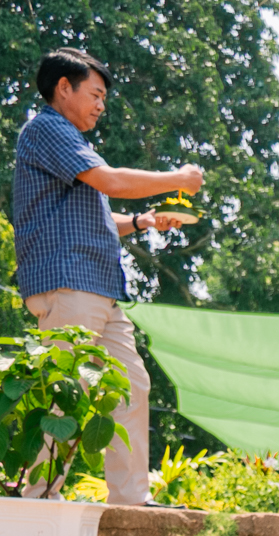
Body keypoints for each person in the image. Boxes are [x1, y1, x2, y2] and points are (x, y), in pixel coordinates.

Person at [11, 48, 204, 506]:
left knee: (131, 386)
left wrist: (141, 221)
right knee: (64, 393)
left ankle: (132, 501)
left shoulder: (72, 145)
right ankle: (37, 500)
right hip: (69, 283)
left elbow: (96, 218)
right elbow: (113, 182)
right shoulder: (48, 128)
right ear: (64, 88)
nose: (101, 105)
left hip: (97, 288)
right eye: (95, 94)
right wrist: (178, 178)